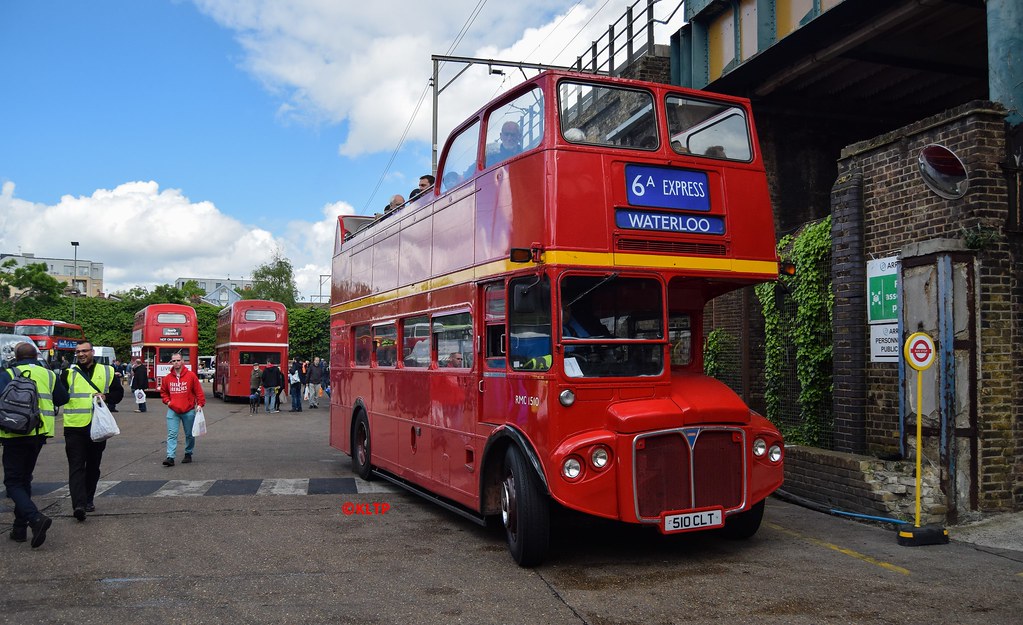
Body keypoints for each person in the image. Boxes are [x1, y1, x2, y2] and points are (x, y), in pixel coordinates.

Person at [1, 342, 68, 548]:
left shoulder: (8, 373)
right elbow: (62, 398)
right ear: (36, 355)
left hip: (13, 432)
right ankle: (19, 529)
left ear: (16, 357)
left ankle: (35, 518)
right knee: (25, 478)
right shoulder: (48, 374)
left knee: (12, 482)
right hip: (38, 433)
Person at [60, 341, 122, 521]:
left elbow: (117, 394)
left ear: (92, 352)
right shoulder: (68, 373)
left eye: (84, 351)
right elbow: (61, 397)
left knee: (93, 466)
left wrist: (106, 396)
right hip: (74, 427)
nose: (81, 354)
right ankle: (78, 505)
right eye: (78, 351)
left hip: (98, 427)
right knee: (76, 466)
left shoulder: (107, 371)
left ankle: (88, 499)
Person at [158, 352, 205, 467]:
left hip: (188, 410)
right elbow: (163, 392)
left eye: (178, 360)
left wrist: (200, 404)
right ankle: (170, 457)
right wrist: (168, 402)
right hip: (173, 410)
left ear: (183, 361)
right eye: (174, 361)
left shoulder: (191, 376)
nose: (176, 363)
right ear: (171, 362)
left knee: (189, 434)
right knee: (172, 434)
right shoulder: (167, 378)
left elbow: (198, 391)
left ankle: (188, 453)